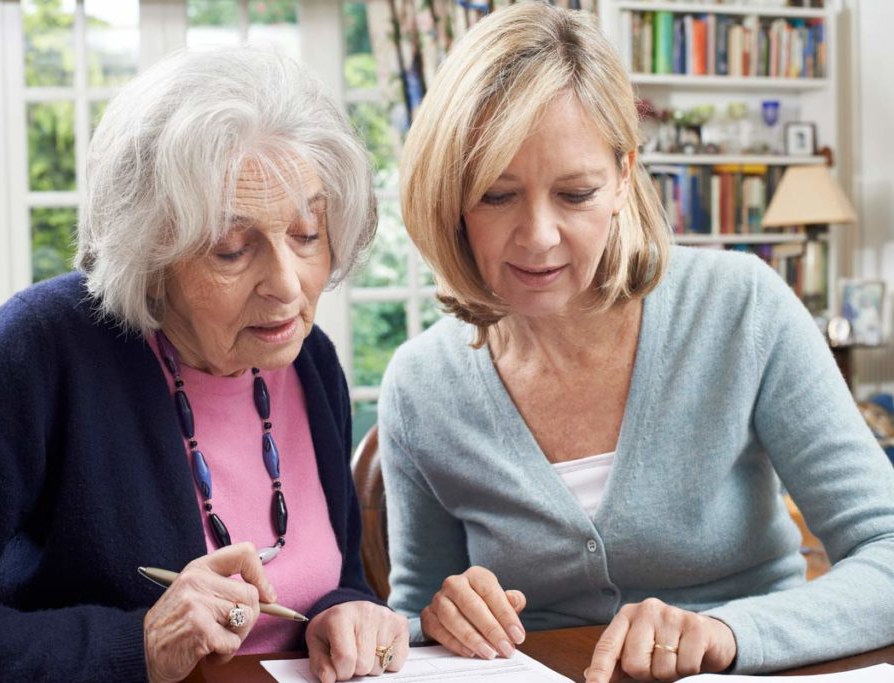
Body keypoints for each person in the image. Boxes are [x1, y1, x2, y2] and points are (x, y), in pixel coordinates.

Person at [378, 4, 894, 683]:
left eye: (575, 192)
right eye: (498, 195)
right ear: (452, 199)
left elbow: (885, 551)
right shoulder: (421, 384)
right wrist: (442, 615)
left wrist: (726, 632)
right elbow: (411, 618)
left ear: (623, 176)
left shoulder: (742, 308)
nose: (537, 236)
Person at [0, 48, 408, 683]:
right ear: (150, 252)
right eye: (232, 250)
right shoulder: (45, 347)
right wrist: (137, 645)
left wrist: (346, 612)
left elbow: (334, 579)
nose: (287, 286)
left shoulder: (306, 358)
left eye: (307, 235)